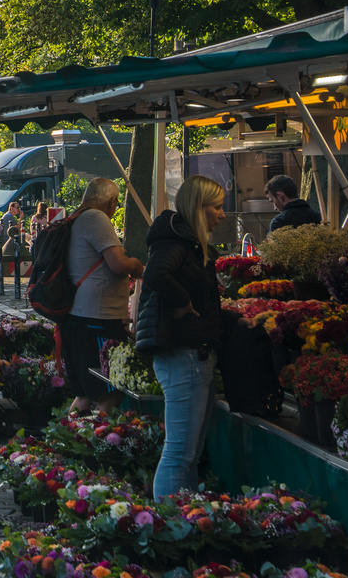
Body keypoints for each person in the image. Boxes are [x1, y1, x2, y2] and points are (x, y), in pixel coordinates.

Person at [136, 174, 226, 499]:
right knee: (179, 454)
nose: (222, 214)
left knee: (188, 453)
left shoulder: (186, 243)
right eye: (217, 207)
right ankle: (169, 527)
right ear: (198, 208)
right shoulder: (175, 243)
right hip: (185, 356)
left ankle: (182, 523)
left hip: (191, 355)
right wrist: (184, 302)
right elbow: (156, 274)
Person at [58, 178, 143, 415]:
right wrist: (135, 264)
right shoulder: (97, 218)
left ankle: (66, 440)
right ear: (111, 201)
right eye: (116, 203)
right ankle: (95, 442)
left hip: (77, 318)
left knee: (85, 395)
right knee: (110, 390)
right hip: (96, 320)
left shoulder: (75, 218)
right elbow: (118, 264)